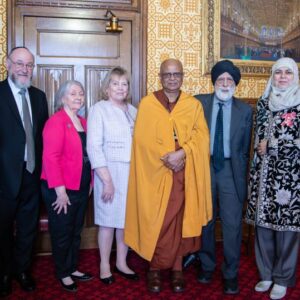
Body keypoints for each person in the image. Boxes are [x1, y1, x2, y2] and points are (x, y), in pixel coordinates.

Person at [124, 58, 212, 293]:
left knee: (179, 220)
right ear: (160, 77)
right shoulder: (148, 104)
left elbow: (202, 137)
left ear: (182, 77)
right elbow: (141, 142)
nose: (172, 78)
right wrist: (167, 159)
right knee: (158, 220)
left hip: (184, 172)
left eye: (176, 74)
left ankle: (177, 270)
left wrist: (182, 153)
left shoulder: (192, 105)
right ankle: (154, 269)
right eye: (167, 74)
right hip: (156, 172)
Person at [184, 60, 253, 294]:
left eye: (229, 80)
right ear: (214, 82)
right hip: (204, 168)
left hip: (230, 171)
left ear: (235, 84)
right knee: (206, 221)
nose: (225, 83)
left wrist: (241, 177)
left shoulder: (245, 110)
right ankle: (207, 265)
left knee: (233, 224)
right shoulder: (198, 103)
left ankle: (230, 273)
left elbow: (244, 149)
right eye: (221, 79)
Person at [245, 57, 300, 300]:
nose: (283, 77)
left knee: (287, 229)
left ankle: (283, 277)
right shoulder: (264, 103)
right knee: (264, 227)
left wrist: (275, 144)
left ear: (295, 76)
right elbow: (257, 142)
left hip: (291, 177)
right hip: (264, 176)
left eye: (288, 72)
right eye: (278, 72)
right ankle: (266, 273)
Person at [0, 47, 48, 297]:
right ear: (8, 63)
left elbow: (43, 139)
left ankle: (22, 271)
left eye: (29, 65)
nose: (24, 69)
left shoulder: (39, 97)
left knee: (28, 228)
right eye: (19, 63)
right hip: (3, 178)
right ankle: (5, 273)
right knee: (3, 229)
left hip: (32, 175)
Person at [87, 67, 138, 285]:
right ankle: (105, 265)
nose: (120, 87)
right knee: (108, 222)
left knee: (126, 221)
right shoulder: (99, 109)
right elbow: (94, 147)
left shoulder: (134, 111)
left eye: (124, 83)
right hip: (108, 172)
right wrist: (106, 180)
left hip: (131, 172)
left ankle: (121, 262)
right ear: (107, 88)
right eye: (115, 83)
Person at [41, 80, 93, 292]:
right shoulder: (56, 121)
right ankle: (63, 272)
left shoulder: (83, 121)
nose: (78, 97)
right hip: (60, 189)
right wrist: (60, 191)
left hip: (80, 186)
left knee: (75, 231)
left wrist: (89, 182)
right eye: (73, 93)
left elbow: (88, 155)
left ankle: (72, 267)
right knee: (62, 231)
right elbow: (50, 157)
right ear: (62, 97)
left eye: (81, 93)